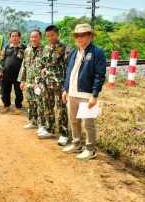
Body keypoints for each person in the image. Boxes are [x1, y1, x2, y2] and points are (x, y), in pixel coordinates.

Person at [62, 24, 106, 160]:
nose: (79, 38)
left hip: (86, 94)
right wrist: (66, 89)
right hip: (73, 93)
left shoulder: (97, 53)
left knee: (88, 123)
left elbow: (100, 75)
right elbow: (70, 72)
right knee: (74, 121)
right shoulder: (74, 52)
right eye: (77, 35)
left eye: (82, 35)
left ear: (90, 36)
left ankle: (90, 149)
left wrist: (95, 94)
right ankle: (76, 144)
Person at [36, 25, 71, 145]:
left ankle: (64, 134)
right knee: (47, 107)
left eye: (52, 35)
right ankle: (50, 129)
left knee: (61, 109)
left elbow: (68, 68)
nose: (50, 38)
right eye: (48, 36)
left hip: (59, 83)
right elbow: (41, 66)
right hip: (46, 83)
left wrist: (66, 86)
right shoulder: (45, 49)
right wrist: (39, 81)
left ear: (58, 34)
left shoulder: (65, 48)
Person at [18, 29, 47, 131]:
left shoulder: (45, 50)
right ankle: (33, 122)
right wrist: (22, 81)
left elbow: (46, 67)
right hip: (29, 82)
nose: (34, 39)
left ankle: (42, 124)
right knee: (31, 103)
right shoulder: (27, 50)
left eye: (36, 37)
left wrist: (42, 82)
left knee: (40, 103)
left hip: (39, 83)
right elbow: (24, 66)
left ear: (40, 38)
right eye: (32, 37)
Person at [0, 30, 27, 115]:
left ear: (19, 37)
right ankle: (6, 106)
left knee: (18, 91)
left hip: (19, 74)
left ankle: (18, 107)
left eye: (16, 36)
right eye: (12, 36)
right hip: (6, 73)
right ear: (10, 38)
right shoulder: (7, 47)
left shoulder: (24, 48)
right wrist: (0, 71)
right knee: (5, 90)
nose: (14, 38)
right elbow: (2, 60)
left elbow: (26, 61)